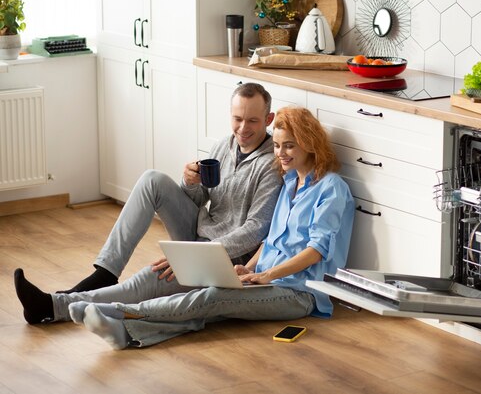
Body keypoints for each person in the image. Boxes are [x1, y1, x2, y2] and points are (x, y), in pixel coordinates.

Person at [62, 106, 354, 350]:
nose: (281, 153)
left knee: (213, 298)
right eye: (277, 145)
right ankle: (126, 334)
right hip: (263, 278)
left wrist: (267, 275)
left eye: (290, 145)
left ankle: (115, 311)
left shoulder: (331, 189)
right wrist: (249, 269)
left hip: (299, 293)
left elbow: (317, 251)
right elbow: (270, 239)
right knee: (211, 309)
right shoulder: (290, 182)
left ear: (310, 143)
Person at [14, 82, 283, 324]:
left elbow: (257, 228)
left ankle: (52, 306)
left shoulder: (271, 165)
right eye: (237, 119)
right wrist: (189, 181)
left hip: (226, 256)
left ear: (268, 119)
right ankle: (106, 271)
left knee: (147, 279)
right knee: (152, 179)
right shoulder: (223, 146)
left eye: (253, 121)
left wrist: (203, 253)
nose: (243, 128)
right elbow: (200, 199)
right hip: (200, 237)